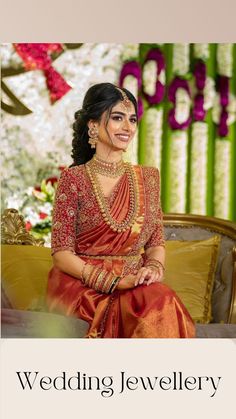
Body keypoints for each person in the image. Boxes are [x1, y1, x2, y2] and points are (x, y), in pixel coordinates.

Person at [47, 82, 195, 338]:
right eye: (117, 118)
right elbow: (61, 253)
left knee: (161, 300)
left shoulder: (148, 178)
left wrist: (153, 269)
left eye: (133, 119)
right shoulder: (74, 179)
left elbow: (156, 242)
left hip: (135, 284)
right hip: (83, 285)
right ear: (93, 125)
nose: (128, 127)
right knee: (149, 306)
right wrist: (112, 282)